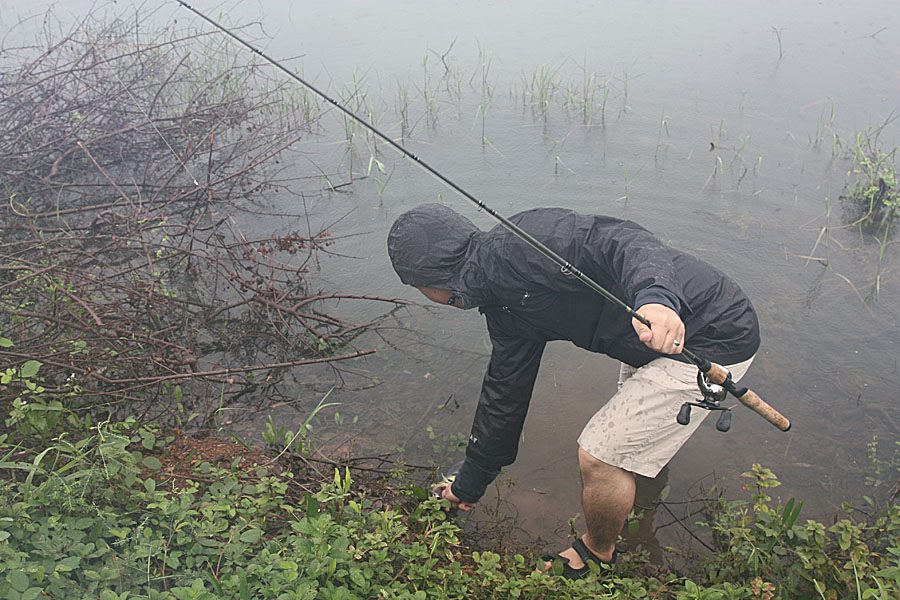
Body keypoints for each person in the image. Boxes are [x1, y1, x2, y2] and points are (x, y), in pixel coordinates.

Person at [387, 203, 760, 579]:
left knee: (599, 455)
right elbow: (505, 396)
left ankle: (598, 552)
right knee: (632, 449)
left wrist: (656, 297)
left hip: (707, 333)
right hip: (644, 342)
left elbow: (623, 240)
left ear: (425, 279)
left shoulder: (521, 245)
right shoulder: (502, 308)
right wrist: (470, 483)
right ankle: (642, 507)